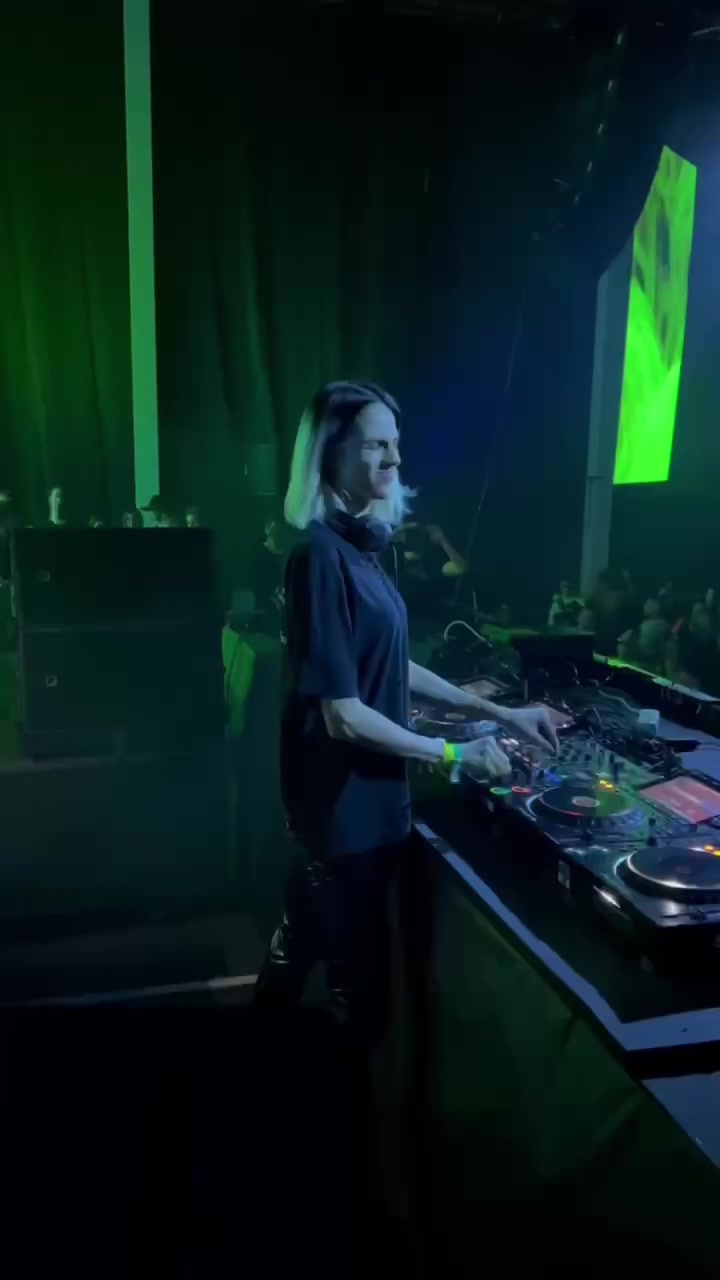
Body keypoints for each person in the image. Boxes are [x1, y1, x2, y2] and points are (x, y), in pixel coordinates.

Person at [254, 379, 558, 1037]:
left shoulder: (364, 552)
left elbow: (394, 665)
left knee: (304, 944)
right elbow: (342, 713)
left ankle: (259, 1060)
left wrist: (503, 716)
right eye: (376, 446)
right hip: (344, 817)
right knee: (353, 992)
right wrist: (453, 753)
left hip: (370, 809)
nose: (394, 458)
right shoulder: (318, 558)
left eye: (396, 443)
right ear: (331, 455)